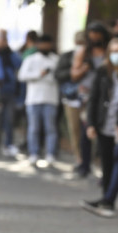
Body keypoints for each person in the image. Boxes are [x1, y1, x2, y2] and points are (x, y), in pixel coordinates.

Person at [81, 37, 118, 215]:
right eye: (114, 52)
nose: (117, 55)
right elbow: (93, 98)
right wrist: (91, 123)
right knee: (107, 163)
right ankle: (107, 201)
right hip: (105, 123)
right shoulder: (103, 71)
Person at [71, 21, 111, 177]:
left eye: (97, 34)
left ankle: (103, 166)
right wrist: (84, 68)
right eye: (91, 34)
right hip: (87, 96)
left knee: (104, 130)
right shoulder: (83, 52)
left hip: (105, 95)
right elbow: (74, 75)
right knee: (87, 129)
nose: (94, 38)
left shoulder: (108, 51)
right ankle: (85, 164)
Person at [17, 34, 60, 165]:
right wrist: (39, 75)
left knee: (50, 128)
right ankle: (34, 153)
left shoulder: (56, 60)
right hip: (33, 99)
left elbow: (58, 77)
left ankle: (50, 154)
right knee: (34, 128)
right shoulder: (31, 59)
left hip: (51, 98)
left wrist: (46, 76)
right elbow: (22, 76)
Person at [55, 31, 86, 170]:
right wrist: (72, 72)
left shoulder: (89, 58)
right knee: (74, 130)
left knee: (87, 130)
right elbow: (59, 74)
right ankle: (79, 158)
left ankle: (87, 158)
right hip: (71, 98)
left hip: (86, 99)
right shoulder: (66, 57)